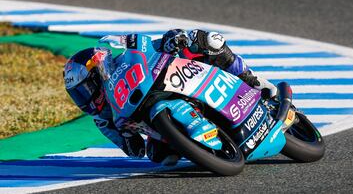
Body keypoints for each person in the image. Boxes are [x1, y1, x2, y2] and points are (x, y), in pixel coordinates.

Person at [63, 29, 277, 167]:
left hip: (176, 80)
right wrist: (128, 135)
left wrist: (171, 40)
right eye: (78, 95)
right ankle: (201, 145)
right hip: (157, 120)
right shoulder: (103, 120)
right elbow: (134, 151)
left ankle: (249, 79)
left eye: (85, 90)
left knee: (206, 40)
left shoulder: (123, 62)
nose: (86, 98)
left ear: (97, 75)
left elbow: (153, 45)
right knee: (157, 156)